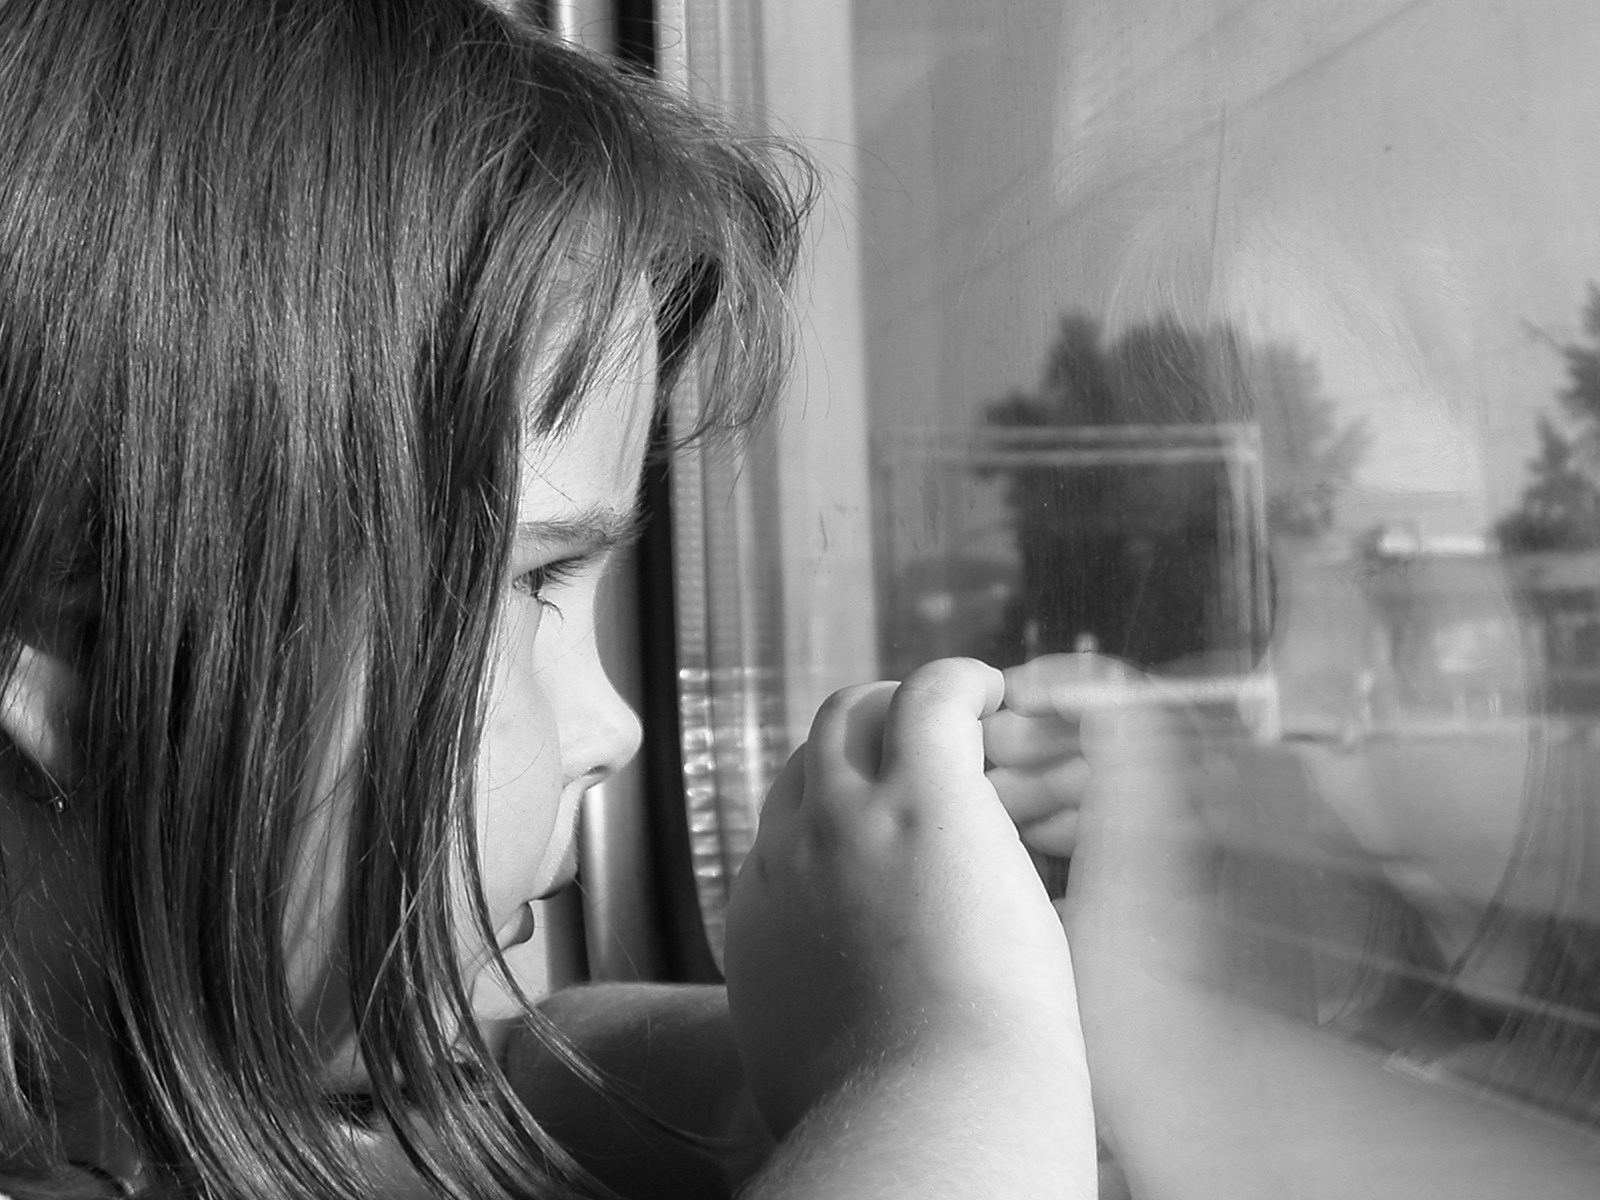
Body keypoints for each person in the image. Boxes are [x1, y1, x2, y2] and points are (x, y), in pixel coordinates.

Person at [0, 1, 1093, 1196]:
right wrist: (954, 1058)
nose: (613, 729)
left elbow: (503, 1071)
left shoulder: (106, 1118)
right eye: (534, 579)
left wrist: (811, 1049)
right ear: (61, 641)